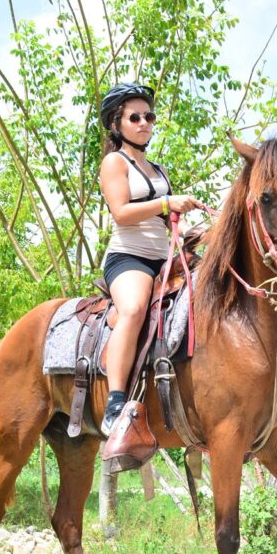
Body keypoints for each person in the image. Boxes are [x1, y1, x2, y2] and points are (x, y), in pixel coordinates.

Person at [97, 83, 203, 435]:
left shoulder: (158, 169)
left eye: (149, 116)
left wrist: (189, 230)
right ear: (117, 125)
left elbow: (167, 220)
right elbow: (122, 212)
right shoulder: (115, 162)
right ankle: (115, 400)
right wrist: (166, 203)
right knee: (134, 308)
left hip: (166, 258)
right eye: (135, 117)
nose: (144, 122)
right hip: (130, 258)